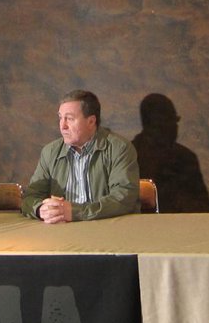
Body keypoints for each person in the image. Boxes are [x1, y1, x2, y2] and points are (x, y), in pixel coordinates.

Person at [21, 90, 139, 223]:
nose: (63, 126)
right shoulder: (50, 152)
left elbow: (123, 198)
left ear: (91, 121)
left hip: (106, 227)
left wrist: (76, 212)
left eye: (70, 119)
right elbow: (30, 198)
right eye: (60, 118)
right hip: (62, 230)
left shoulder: (119, 148)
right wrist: (40, 209)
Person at [131, 93, 209, 212]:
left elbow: (202, 207)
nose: (174, 127)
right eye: (169, 121)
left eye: (174, 121)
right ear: (151, 124)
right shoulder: (128, 158)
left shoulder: (185, 158)